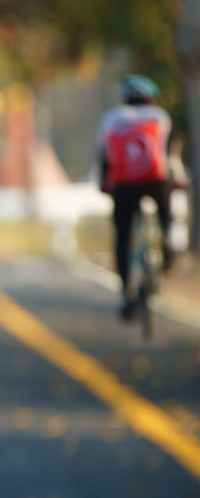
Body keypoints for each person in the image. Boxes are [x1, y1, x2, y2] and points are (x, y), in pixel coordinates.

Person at [98, 74, 175, 320]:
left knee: (122, 236)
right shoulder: (160, 116)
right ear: (151, 98)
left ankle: (125, 294)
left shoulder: (110, 119)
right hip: (156, 181)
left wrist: (104, 183)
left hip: (124, 185)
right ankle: (167, 248)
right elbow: (169, 155)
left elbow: (104, 156)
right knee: (166, 216)